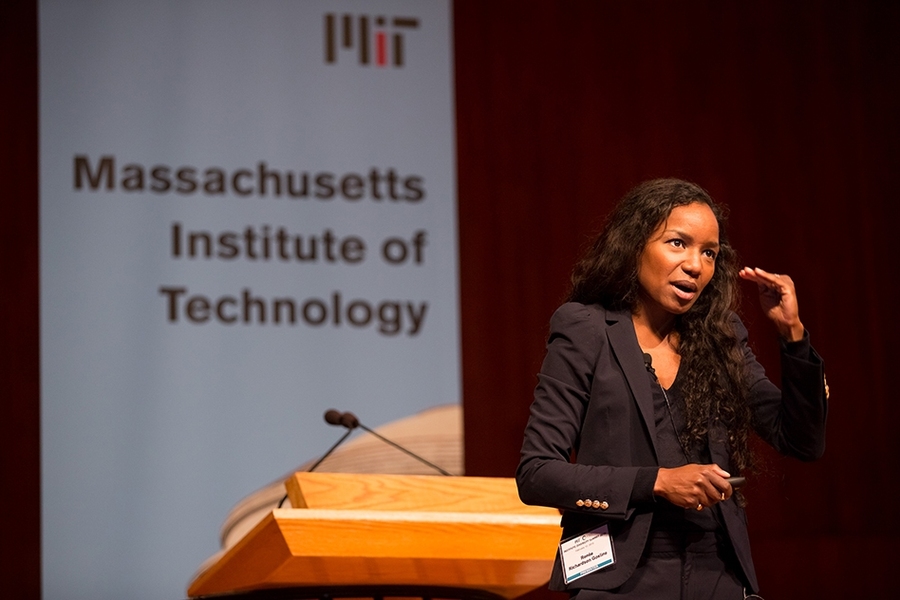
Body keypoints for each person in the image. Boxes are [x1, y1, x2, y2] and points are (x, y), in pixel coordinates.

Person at [516, 178, 827, 599]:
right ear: (635, 244)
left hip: (716, 571)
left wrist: (792, 335)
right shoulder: (585, 329)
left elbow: (801, 439)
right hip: (617, 577)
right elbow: (537, 474)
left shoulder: (721, 337)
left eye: (709, 253)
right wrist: (657, 482)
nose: (696, 266)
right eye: (678, 243)